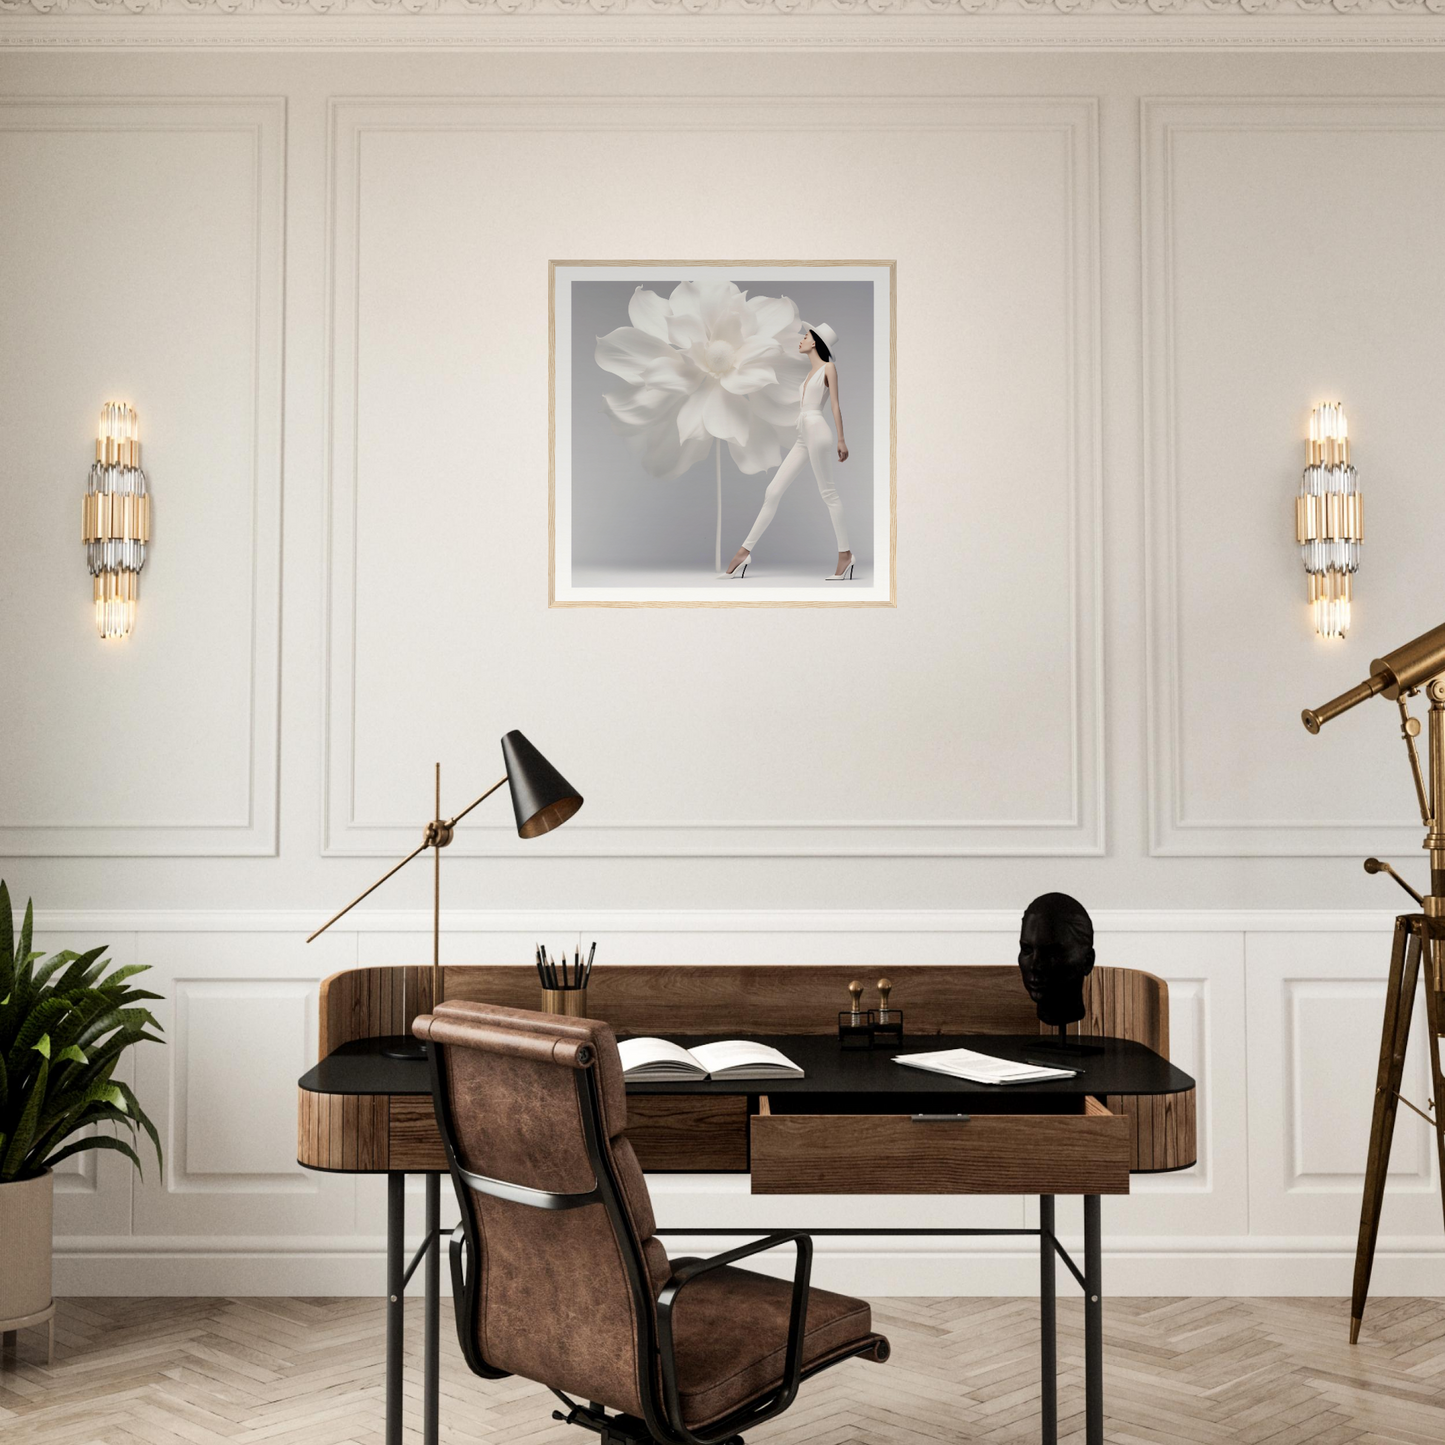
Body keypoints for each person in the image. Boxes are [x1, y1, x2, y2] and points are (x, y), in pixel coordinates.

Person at [724, 322, 854, 580]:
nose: (801, 339)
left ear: (815, 342)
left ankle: (845, 555)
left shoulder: (829, 368)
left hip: (817, 430)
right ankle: (743, 552)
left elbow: (835, 406)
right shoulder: (808, 374)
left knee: (828, 492)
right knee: (772, 491)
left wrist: (842, 439)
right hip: (802, 434)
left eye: (805, 336)